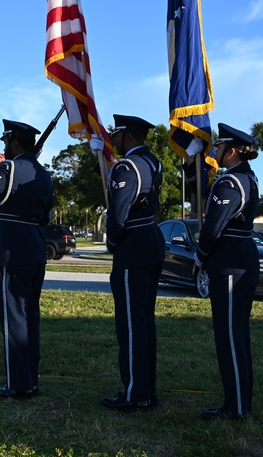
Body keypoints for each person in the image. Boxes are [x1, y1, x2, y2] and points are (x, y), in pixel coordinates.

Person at [0, 119, 53, 399]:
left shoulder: (10, 167)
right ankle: (30, 380)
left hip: (13, 251)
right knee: (30, 318)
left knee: (14, 319)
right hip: (35, 249)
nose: (4, 147)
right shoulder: (43, 174)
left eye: (6, 142)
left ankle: (17, 384)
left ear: (15, 143)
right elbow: (44, 217)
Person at [195, 123, 260, 421]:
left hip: (230, 264)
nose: (214, 152)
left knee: (230, 336)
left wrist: (201, 255)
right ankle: (239, 401)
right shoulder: (245, 178)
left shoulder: (230, 183)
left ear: (231, 151)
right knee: (236, 334)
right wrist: (189, 162)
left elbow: (213, 228)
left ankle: (236, 407)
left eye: (218, 148)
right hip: (240, 259)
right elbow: (202, 192)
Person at [100, 115, 165, 413]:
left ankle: (134, 392)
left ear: (128, 137)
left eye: (118, 135)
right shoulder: (154, 162)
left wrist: (112, 241)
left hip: (134, 243)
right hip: (151, 237)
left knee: (130, 322)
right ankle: (145, 390)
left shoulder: (126, 166)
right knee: (143, 321)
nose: (115, 140)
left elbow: (119, 212)